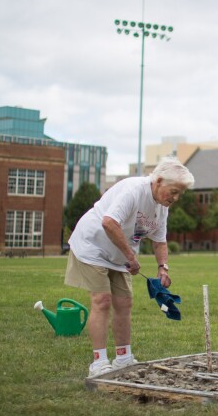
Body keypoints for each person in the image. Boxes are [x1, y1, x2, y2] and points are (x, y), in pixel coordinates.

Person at [65, 157, 194, 377]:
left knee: (124, 302)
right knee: (102, 300)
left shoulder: (162, 207)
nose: (176, 197)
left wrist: (163, 267)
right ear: (159, 180)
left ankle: (123, 358)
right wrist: (130, 256)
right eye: (174, 191)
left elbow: (159, 240)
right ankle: (99, 362)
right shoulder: (134, 190)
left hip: (119, 254)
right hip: (92, 245)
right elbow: (109, 222)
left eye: (179, 193)